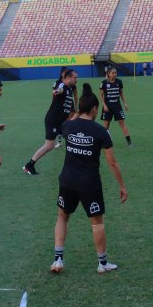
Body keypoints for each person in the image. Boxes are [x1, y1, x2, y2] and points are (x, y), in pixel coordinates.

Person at [49, 84, 128, 274]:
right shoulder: (101, 132)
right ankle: (102, 264)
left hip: (67, 180)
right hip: (89, 183)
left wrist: (77, 113)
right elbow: (113, 163)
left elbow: (71, 121)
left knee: (62, 216)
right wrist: (122, 186)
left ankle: (58, 260)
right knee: (97, 222)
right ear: (94, 109)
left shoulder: (68, 126)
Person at [24, 69, 77, 175]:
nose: (76, 80)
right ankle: (29, 165)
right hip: (53, 121)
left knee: (72, 138)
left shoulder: (69, 89)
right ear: (67, 77)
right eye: (75, 77)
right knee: (49, 145)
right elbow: (58, 90)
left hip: (60, 122)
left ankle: (74, 166)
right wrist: (56, 91)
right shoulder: (62, 86)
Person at [99, 66, 132, 146]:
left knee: (122, 122)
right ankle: (103, 141)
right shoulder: (103, 83)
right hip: (107, 107)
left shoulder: (119, 82)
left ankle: (129, 141)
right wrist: (104, 105)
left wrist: (125, 103)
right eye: (113, 73)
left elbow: (121, 93)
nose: (114, 74)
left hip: (117, 106)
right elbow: (101, 95)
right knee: (106, 124)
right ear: (108, 74)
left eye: (115, 73)